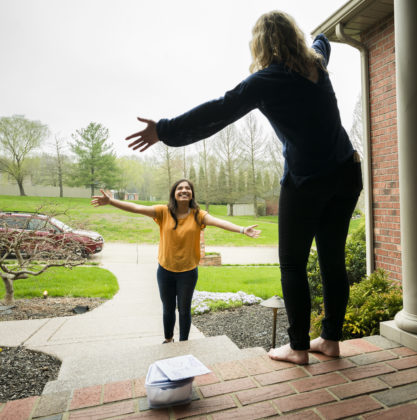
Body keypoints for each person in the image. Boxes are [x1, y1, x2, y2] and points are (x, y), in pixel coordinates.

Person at [125, 11, 362, 364]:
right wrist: (315, 38)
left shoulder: (266, 81)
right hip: (345, 174)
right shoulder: (318, 64)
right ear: (293, 36)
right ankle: (330, 340)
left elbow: (218, 110)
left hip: (306, 182)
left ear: (261, 45)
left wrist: (165, 129)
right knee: (332, 260)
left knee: (293, 265)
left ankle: (298, 347)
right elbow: (322, 42)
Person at [91, 179, 260, 343]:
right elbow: (136, 207)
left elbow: (219, 222)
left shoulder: (198, 215)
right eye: (180, 188)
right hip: (165, 270)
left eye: (187, 188)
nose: (184, 190)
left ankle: (184, 343)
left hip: (188, 272)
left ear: (192, 194)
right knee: (168, 308)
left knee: (185, 310)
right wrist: (111, 202)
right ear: (174, 193)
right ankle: (168, 339)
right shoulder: (163, 212)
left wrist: (243, 229)